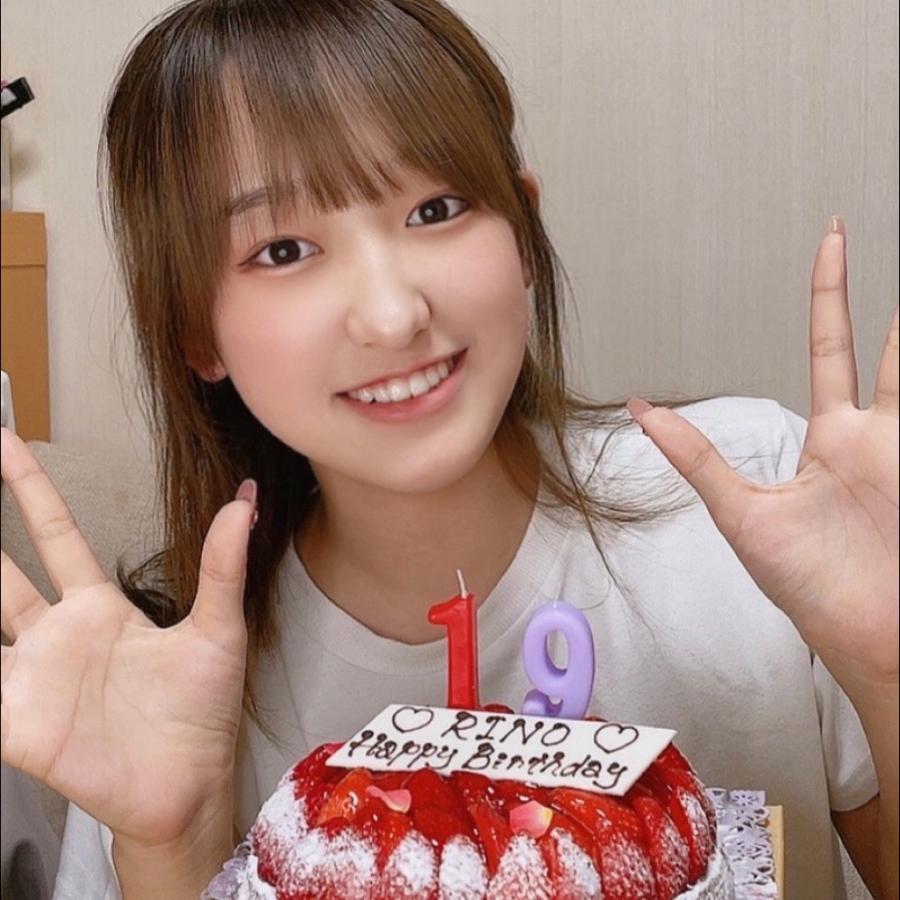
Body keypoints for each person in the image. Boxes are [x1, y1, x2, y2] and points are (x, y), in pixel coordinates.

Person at [0, 1, 896, 898]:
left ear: (524, 235)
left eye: (435, 208)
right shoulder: (168, 684)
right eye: (283, 249)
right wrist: (174, 850)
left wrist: (887, 676)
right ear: (195, 329)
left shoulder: (764, 503)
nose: (394, 316)